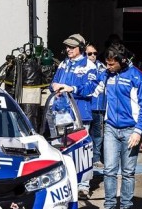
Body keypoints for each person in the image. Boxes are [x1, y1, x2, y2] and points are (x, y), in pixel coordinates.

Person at [100, 43, 142, 209]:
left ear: (121, 60)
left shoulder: (137, 77)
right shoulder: (107, 74)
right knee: (109, 170)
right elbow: (91, 88)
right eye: (106, 63)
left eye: (111, 63)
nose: (107, 66)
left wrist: (138, 131)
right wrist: (70, 87)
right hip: (110, 128)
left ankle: (126, 206)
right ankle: (109, 205)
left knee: (128, 172)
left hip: (131, 130)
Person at [50, 33, 99, 199]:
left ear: (81, 48)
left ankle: (83, 186)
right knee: (62, 150)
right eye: (67, 46)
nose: (68, 49)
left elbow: (91, 88)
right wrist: (54, 86)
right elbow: (53, 82)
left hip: (80, 114)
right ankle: (66, 183)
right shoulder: (63, 64)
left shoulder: (89, 66)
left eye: (72, 46)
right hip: (61, 113)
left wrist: (72, 89)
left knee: (81, 151)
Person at [86, 43, 107, 169]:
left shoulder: (102, 67)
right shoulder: (81, 67)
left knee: (98, 135)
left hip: (99, 107)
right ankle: (85, 159)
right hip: (85, 107)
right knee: (85, 134)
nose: (93, 56)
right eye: (89, 53)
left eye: (94, 53)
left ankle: (96, 158)